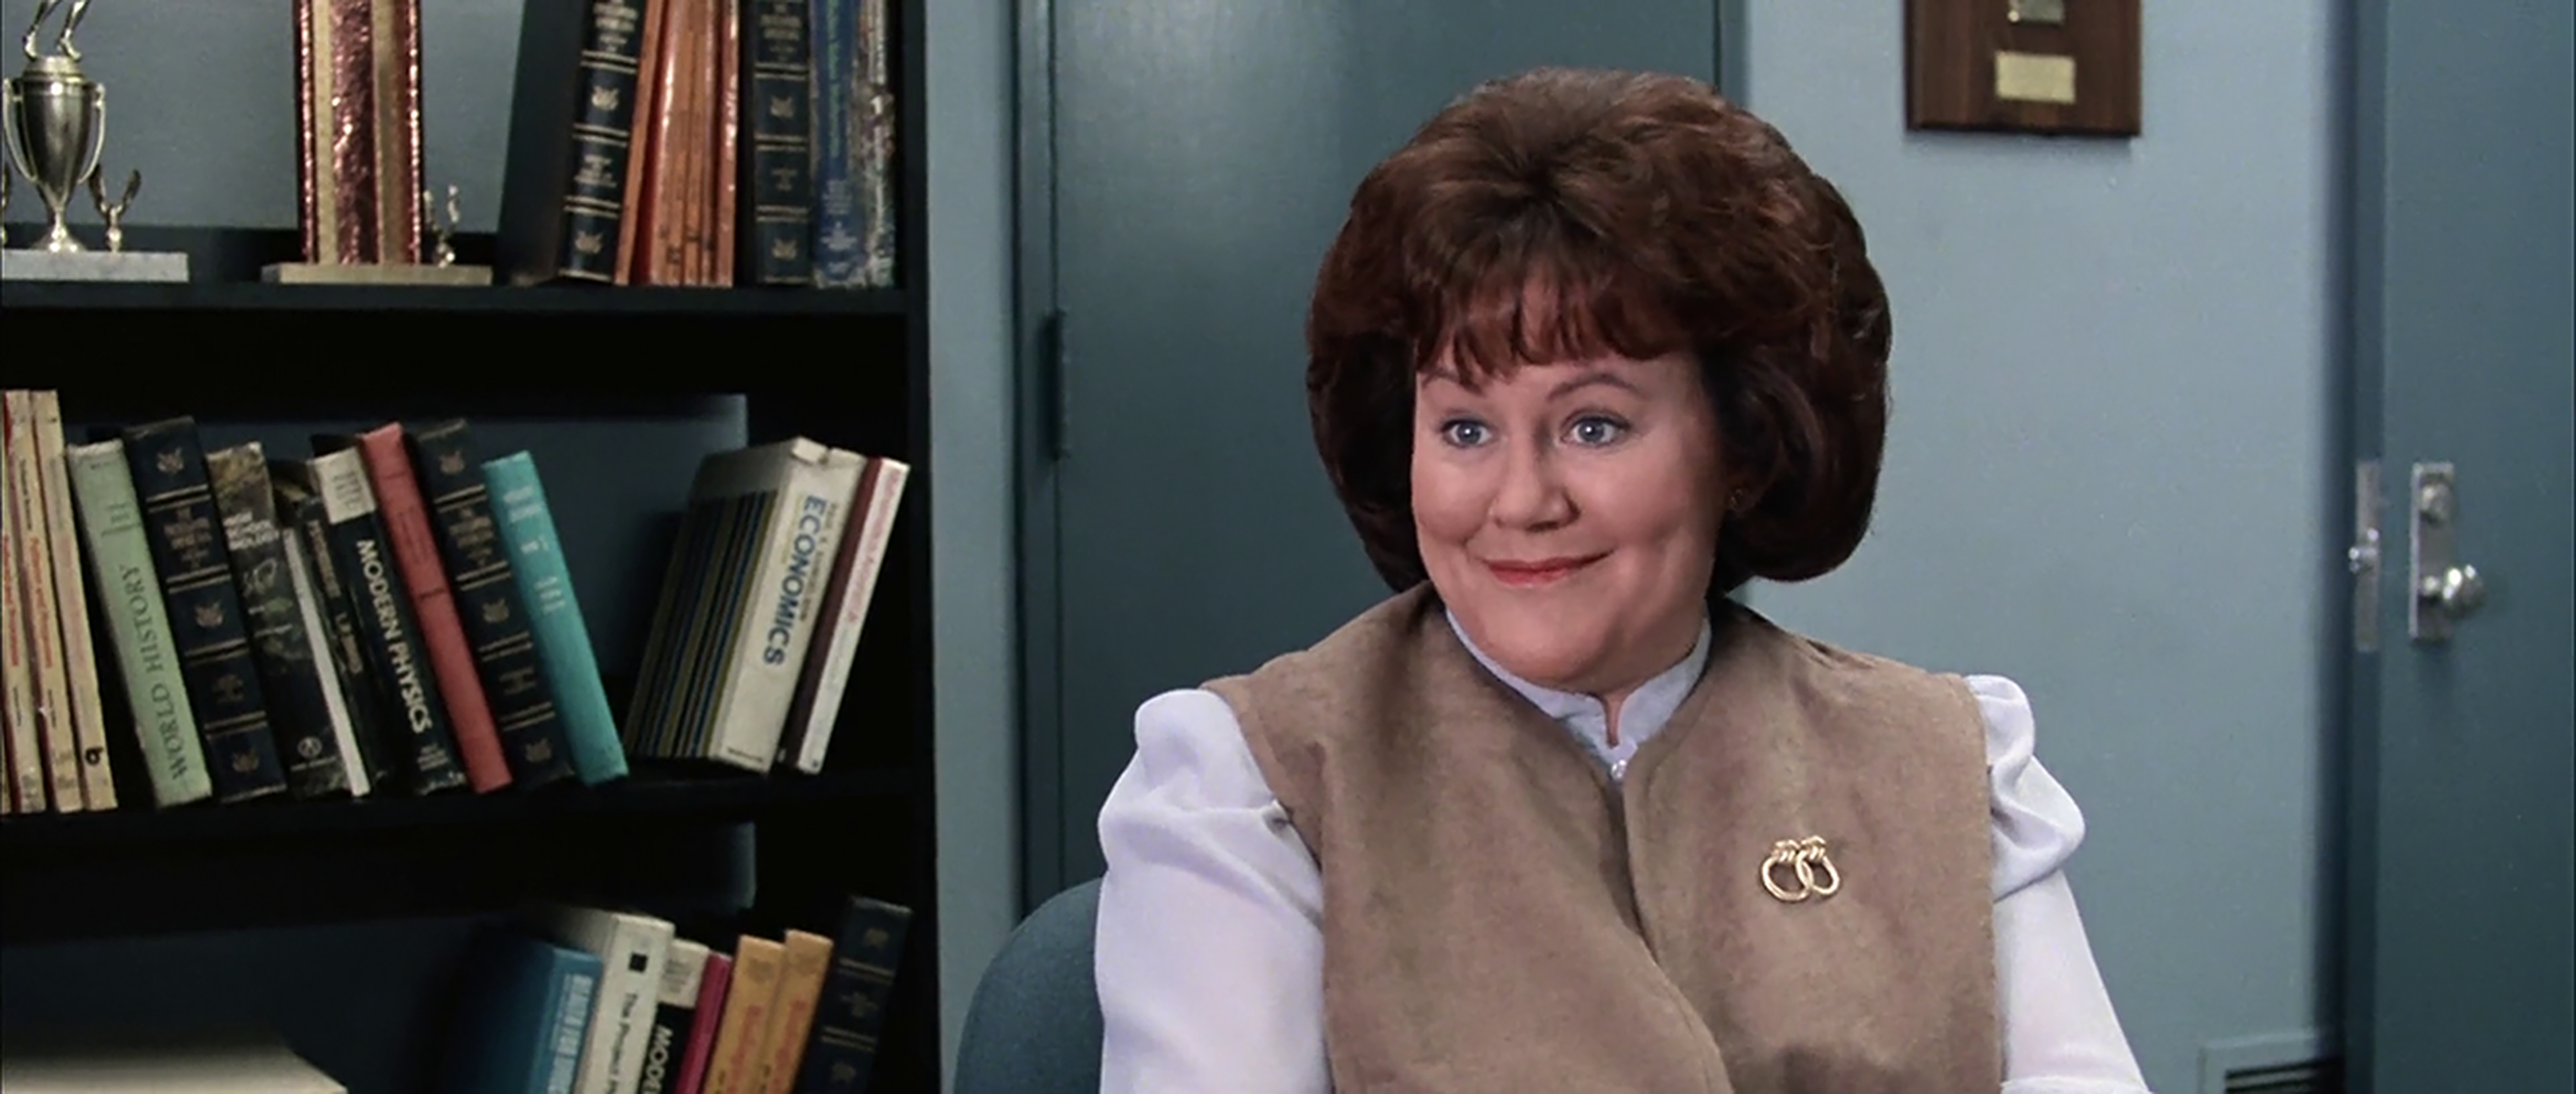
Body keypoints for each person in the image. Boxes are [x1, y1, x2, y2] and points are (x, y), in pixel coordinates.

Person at [1092, 67, 2152, 1092]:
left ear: (1743, 443)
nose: (1520, 500)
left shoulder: (1948, 762)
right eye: (1464, 428)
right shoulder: (1250, 785)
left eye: (1592, 425)